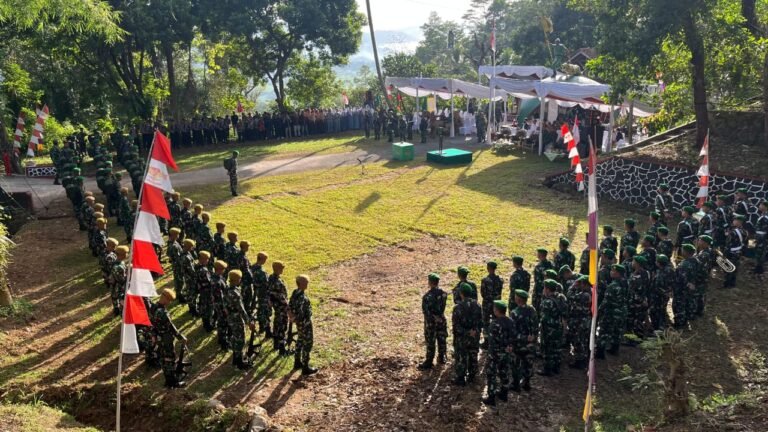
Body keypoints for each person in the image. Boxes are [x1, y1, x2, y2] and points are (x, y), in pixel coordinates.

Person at [151, 288, 188, 388]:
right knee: (170, 359)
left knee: (164, 359)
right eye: (169, 300)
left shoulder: (153, 308)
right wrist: (181, 338)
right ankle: (173, 382)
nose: (168, 303)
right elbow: (171, 327)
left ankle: (167, 381)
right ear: (165, 298)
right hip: (166, 338)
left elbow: (152, 324)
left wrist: (154, 335)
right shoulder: (163, 312)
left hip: (158, 337)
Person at [482, 300, 514, 406]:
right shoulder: (510, 321)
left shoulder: (494, 324)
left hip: (495, 354)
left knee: (491, 374)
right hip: (507, 353)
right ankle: (504, 393)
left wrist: (492, 354)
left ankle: (491, 397)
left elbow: (492, 342)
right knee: (504, 372)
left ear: (497, 311)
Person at [224, 270, 255, 370]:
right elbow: (241, 309)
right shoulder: (235, 293)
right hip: (236, 318)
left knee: (235, 337)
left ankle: (235, 358)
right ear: (237, 280)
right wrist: (248, 322)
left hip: (230, 317)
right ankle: (239, 362)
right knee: (240, 340)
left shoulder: (227, 289)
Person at [452, 282, 482, 386]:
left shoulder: (457, 308)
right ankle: (472, 376)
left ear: (461, 294)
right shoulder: (477, 305)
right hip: (474, 336)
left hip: (462, 338)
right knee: (473, 354)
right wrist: (474, 330)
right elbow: (480, 322)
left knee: (461, 357)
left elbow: (456, 326)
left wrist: (466, 332)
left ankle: (461, 378)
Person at [289, 274, 318, 375]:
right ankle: (305, 367)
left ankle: (297, 362)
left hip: (299, 323)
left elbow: (290, 306)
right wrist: (303, 321)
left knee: (300, 340)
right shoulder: (301, 297)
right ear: (301, 284)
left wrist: (292, 317)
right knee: (307, 344)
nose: (307, 284)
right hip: (305, 324)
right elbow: (301, 313)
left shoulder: (295, 292)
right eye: (306, 283)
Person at [596, 264, 627, 358]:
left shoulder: (612, 286)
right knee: (617, 330)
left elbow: (606, 301)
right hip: (622, 310)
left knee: (604, 331)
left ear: (617, 273)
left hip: (611, 312)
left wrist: (599, 311)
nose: (611, 272)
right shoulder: (625, 283)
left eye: (613, 271)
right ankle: (614, 349)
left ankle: (600, 352)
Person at [509, 289, 537, 392]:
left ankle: (515, 384)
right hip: (530, 343)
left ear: (518, 299)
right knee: (528, 363)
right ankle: (526, 383)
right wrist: (533, 338)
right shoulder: (532, 310)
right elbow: (535, 326)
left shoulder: (514, 313)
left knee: (516, 364)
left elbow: (513, 331)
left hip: (519, 344)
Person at [538, 280, 565, 376]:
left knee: (548, 349)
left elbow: (544, 318)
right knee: (557, 347)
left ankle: (547, 369)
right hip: (559, 326)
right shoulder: (561, 297)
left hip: (549, 329)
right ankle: (556, 367)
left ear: (547, 289)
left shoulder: (547, 302)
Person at [567, 276, 592, 369]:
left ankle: (580, 361)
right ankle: (583, 359)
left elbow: (570, 296)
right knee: (583, 340)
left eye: (580, 284)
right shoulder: (590, 292)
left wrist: (572, 287)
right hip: (584, 320)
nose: (579, 286)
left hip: (581, 321)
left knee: (579, 341)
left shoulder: (585, 295)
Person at [268, 261, 290, 355]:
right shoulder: (277, 282)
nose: (283, 270)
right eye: (281, 268)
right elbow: (281, 296)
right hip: (281, 306)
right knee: (282, 325)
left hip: (276, 306)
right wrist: (287, 305)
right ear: (277, 269)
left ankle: (276, 343)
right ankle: (282, 348)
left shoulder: (271, 278)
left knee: (277, 324)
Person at [674, 244, 698, 328]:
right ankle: (686, 320)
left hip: (681, 290)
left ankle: (680, 324)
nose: (681, 251)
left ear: (686, 252)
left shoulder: (683, 265)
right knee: (688, 304)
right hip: (691, 289)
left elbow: (680, 279)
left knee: (679, 306)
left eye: (683, 250)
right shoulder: (695, 261)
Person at [480, 261, 504, 346]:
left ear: (488, 269)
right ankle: (496, 338)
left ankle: (486, 341)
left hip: (487, 303)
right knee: (496, 320)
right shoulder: (500, 280)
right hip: (496, 304)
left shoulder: (485, 280)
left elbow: (482, 293)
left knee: (485, 321)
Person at [627, 256, 651, 339]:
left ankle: (637, 337)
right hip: (639, 300)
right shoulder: (644, 273)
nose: (632, 263)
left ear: (637, 264)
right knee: (636, 320)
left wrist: (639, 301)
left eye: (633, 261)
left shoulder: (638, 277)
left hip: (636, 302)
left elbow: (636, 291)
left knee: (636, 321)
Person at [650, 255, 674, 330]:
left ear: (659, 263)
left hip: (658, 296)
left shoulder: (660, 274)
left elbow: (656, 287)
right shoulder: (670, 270)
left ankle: (658, 328)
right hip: (666, 294)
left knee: (656, 312)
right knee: (662, 310)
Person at [694, 235, 715, 317]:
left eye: (700, 241)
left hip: (700, 277)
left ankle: (698, 311)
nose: (698, 242)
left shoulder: (704, 254)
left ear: (705, 243)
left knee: (699, 294)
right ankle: (700, 310)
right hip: (704, 276)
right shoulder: (707, 251)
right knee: (702, 293)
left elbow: (698, 266)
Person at [724, 215, 747, 288]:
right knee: (735, 268)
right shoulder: (744, 231)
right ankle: (732, 284)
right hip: (738, 252)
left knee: (728, 268)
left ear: (739, 222)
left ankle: (727, 284)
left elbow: (728, 244)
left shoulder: (733, 232)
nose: (733, 222)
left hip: (731, 253)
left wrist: (725, 254)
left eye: (735, 220)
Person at [211, 260, 230, 350]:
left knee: (221, 322)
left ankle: (221, 338)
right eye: (223, 269)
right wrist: (224, 308)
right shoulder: (217, 282)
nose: (224, 270)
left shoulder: (217, 277)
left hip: (218, 304)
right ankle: (223, 342)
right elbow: (220, 297)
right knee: (223, 323)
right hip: (220, 305)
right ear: (219, 269)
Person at [196, 251, 216, 332]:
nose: (208, 261)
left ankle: (205, 323)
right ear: (203, 259)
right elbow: (209, 282)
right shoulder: (204, 270)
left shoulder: (197, 267)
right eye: (207, 259)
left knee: (203, 306)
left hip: (201, 290)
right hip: (207, 292)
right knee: (208, 308)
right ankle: (208, 325)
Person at [110, 246, 129, 317]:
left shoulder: (121, 262)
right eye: (125, 253)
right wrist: (128, 275)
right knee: (118, 299)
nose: (126, 255)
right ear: (120, 255)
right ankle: (118, 311)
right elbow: (121, 280)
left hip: (119, 286)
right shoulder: (117, 267)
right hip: (118, 287)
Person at [181, 239, 198, 314]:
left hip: (187, 276)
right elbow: (191, 270)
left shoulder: (185, 253)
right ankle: (193, 309)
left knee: (190, 292)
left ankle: (192, 307)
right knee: (191, 293)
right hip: (190, 277)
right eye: (191, 246)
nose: (192, 248)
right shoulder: (186, 257)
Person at [167, 228, 184, 302]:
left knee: (179, 280)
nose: (178, 236)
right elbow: (177, 257)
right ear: (173, 235)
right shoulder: (173, 246)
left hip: (177, 265)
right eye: (177, 235)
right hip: (178, 265)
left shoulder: (173, 242)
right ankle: (179, 295)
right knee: (179, 281)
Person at [755, 200, 768, 276]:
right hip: (758, 236)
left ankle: (759, 268)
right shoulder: (762, 215)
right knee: (757, 251)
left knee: (761, 251)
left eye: (761, 205)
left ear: (765, 207)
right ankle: (757, 265)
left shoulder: (766, 217)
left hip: (762, 237)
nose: (759, 206)